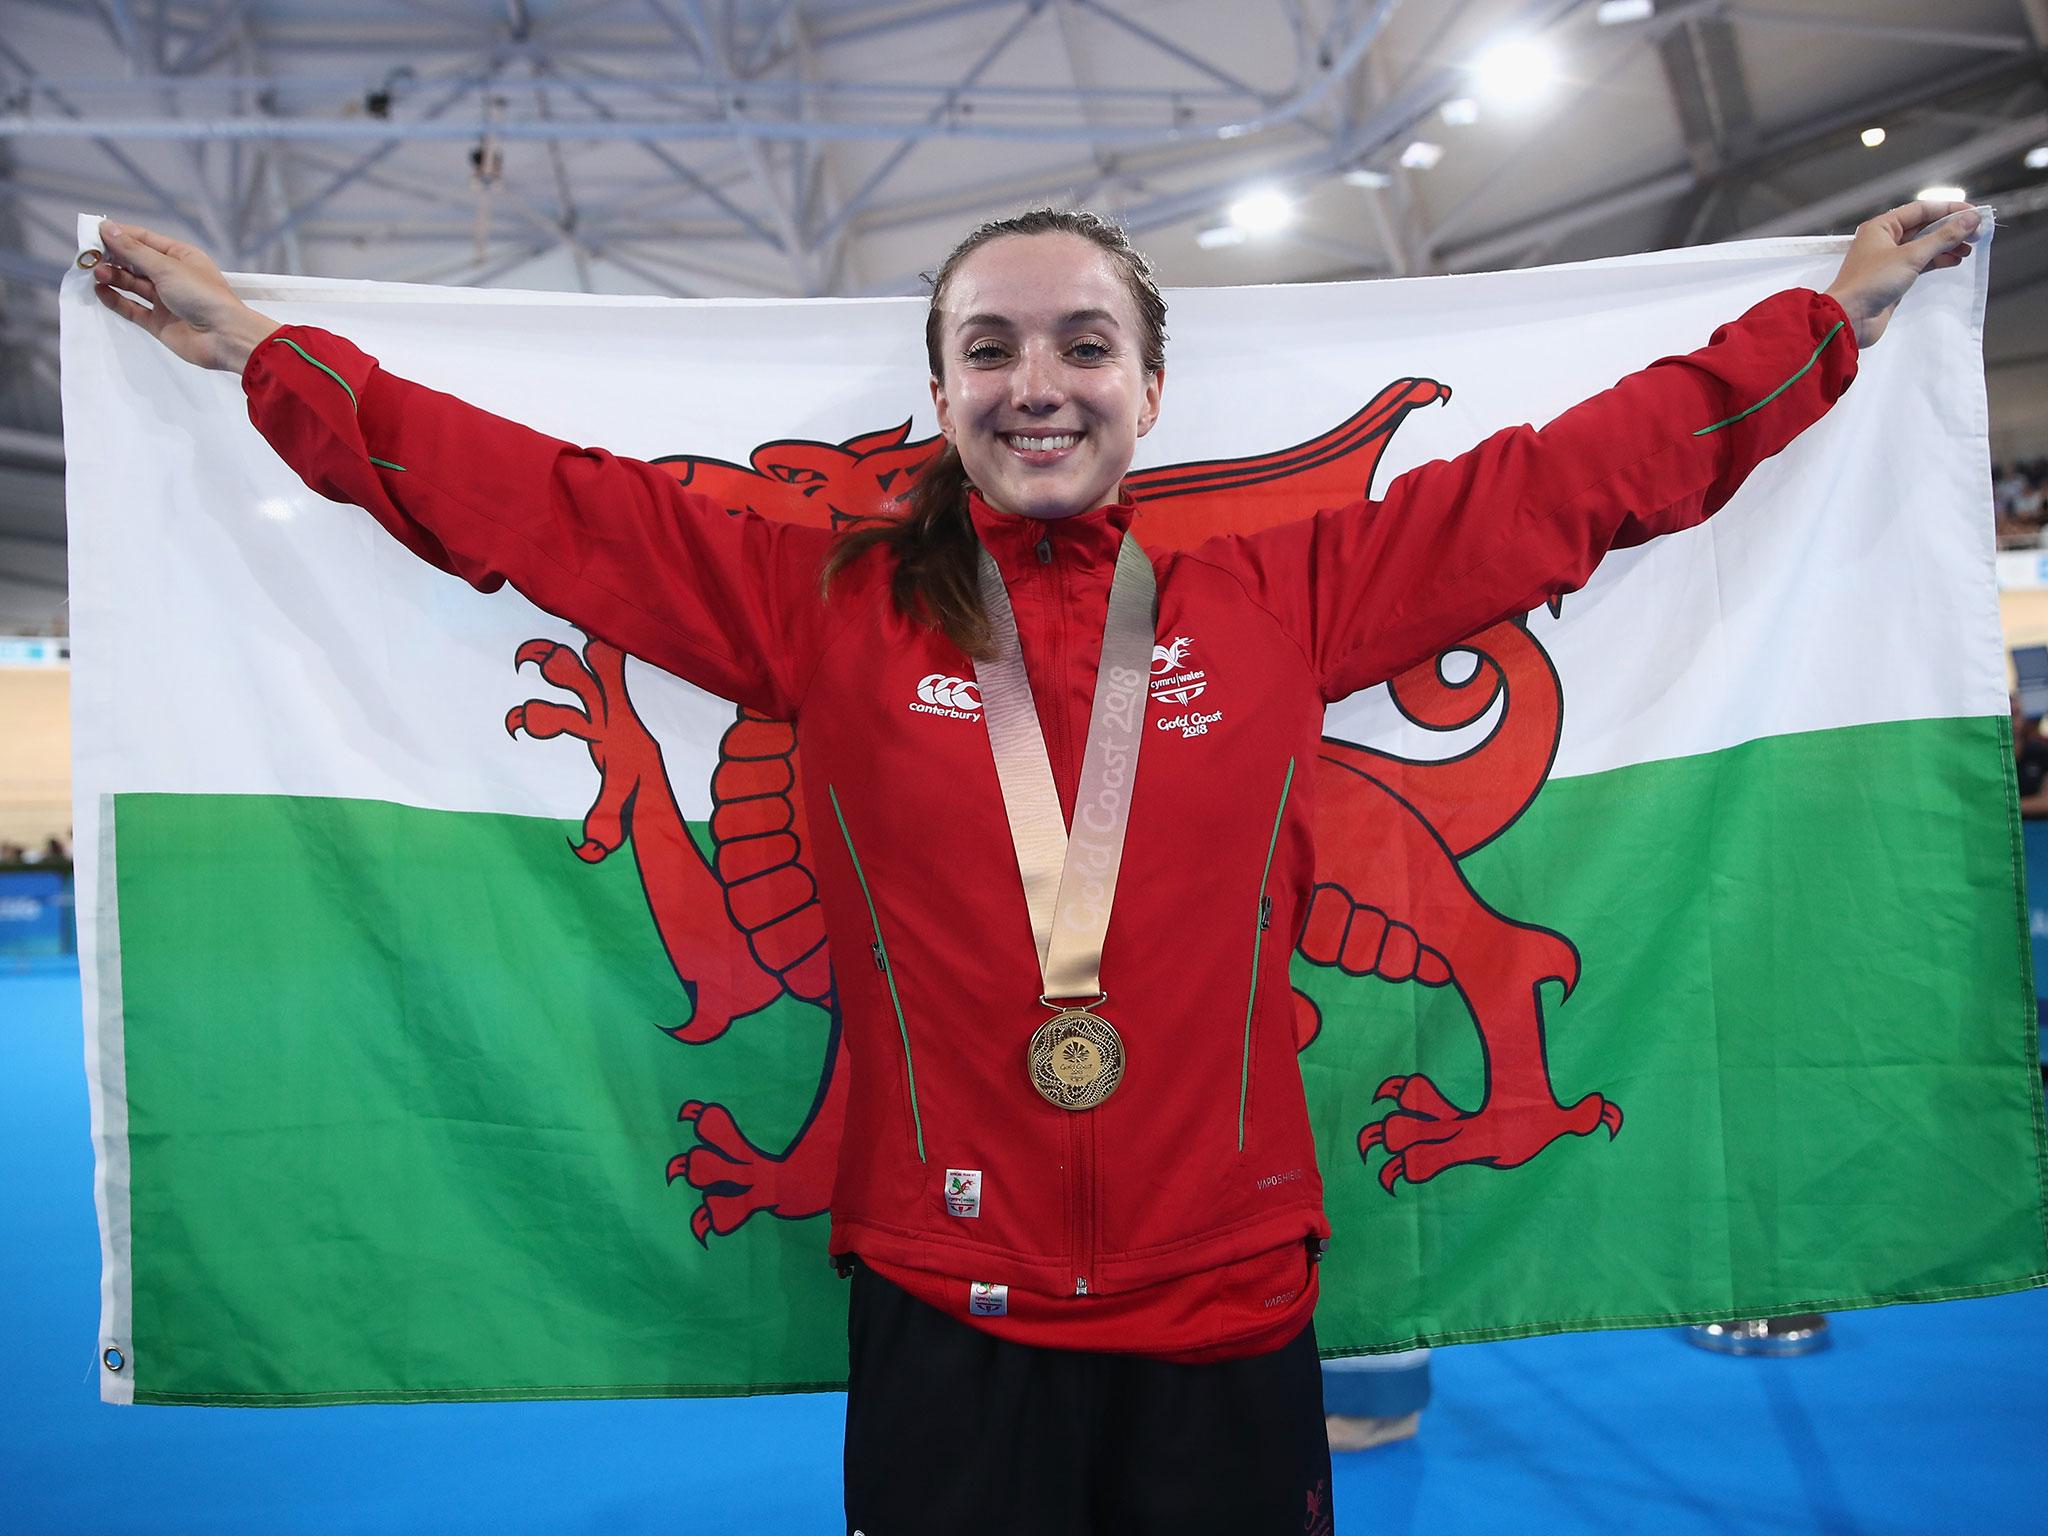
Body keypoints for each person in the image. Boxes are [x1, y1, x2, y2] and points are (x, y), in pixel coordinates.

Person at [89, 197, 1974, 1534]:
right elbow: (540, 507)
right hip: (941, 1299)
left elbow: (1579, 482)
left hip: (1228, 1299)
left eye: (1086, 343)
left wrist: (1831, 321)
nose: (1038, 381)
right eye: (990, 348)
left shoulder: (1287, 589)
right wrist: (275, 356)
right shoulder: (812, 600)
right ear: (942, 396)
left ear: (1153, 389)